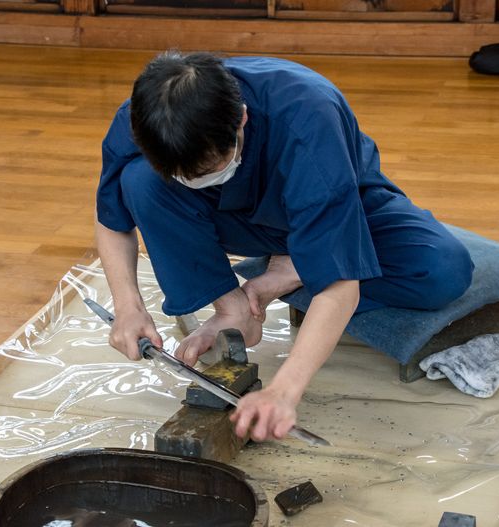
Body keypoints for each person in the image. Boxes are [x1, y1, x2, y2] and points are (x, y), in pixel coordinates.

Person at [96, 51, 474, 443]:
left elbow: (341, 287)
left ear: (241, 118)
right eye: (183, 175)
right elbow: (111, 219)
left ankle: (294, 267)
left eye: (208, 168)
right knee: (139, 181)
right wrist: (127, 307)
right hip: (235, 212)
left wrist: (283, 390)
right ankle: (234, 308)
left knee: (440, 270)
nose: (194, 179)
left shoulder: (308, 118)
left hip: (339, 200)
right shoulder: (143, 117)